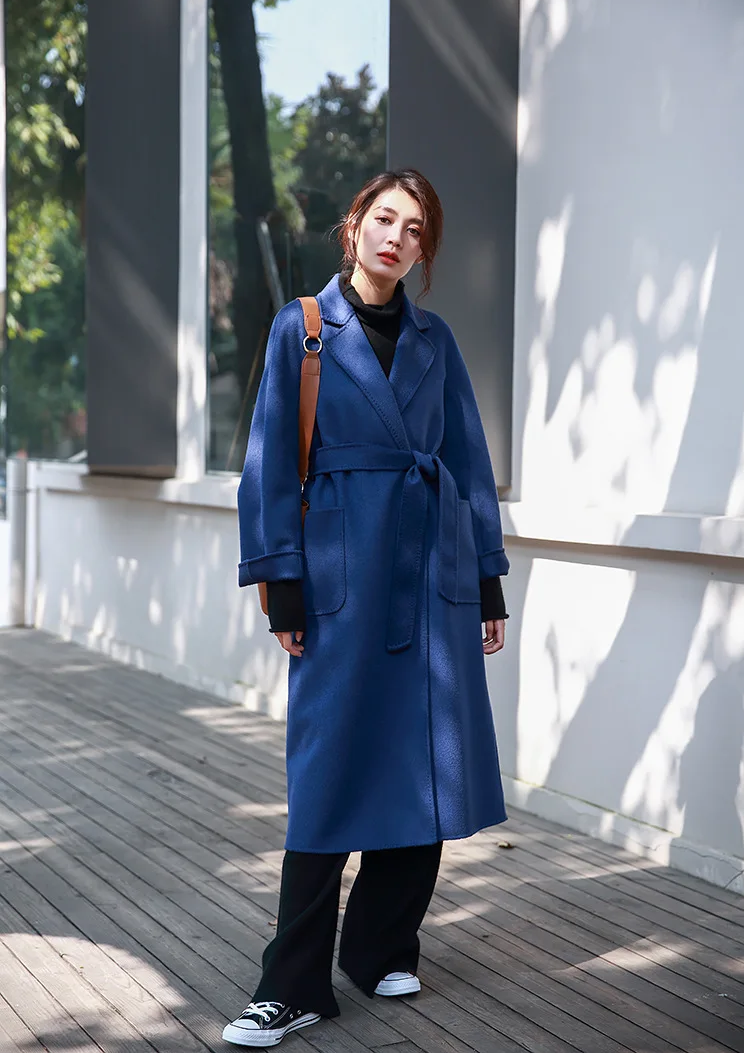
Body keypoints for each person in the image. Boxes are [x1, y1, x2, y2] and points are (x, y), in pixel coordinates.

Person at [226, 169, 509, 1047]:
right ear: (354, 227)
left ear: (424, 251)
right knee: (329, 770)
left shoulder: (436, 339)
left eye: (415, 229)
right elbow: (269, 461)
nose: (397, 237)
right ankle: (293, 983)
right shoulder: (303, 328)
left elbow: (467, 459)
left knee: (424, 757)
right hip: (341, 575)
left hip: (430, 572)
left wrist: (487, 580)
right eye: (385, 219)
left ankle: (382, 942)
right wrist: (282, 583)